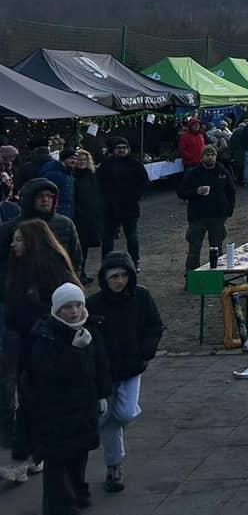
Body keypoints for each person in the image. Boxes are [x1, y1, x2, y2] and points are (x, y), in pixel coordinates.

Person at [2, 219, 80, 485]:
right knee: (28, 400)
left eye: (19, 239)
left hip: (44, 345)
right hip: (25, 343)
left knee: (34, 402)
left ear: (32, 241)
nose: (13, 244)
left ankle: (28, 458)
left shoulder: (51, 269)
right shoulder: (19, 267)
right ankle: (34, 456)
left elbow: (68, 305)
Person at [22, 282, 111, 515]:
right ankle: (61, 506)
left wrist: (102, 393)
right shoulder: (45, 336)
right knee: (58, 461)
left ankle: (78, 494)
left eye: (78, 305)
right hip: (56, 411)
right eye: (68, 307)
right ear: (57, 310)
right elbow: (50, 374)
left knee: (78, 455)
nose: (74, 312)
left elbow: (100, 364)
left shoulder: (89, 330)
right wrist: (76, 351)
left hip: (83, 407)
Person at [85, 252, 163, 493]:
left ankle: (113, 462)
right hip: (106, 372)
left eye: (123, 275)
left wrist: (145, 351)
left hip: (131, 367)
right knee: (109, 420)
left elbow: (154, 324)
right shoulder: (94, 304)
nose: (119, 281)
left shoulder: (141, 297)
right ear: (105, 278)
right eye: (113, 276)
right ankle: (114, 466)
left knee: (124, 414)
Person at [0, 178, 83, 290]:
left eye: (49, 196)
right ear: (30, 199)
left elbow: (75, 257)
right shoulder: (10, 228)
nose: (46, 200)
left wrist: (71, 282)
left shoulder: (65, 224)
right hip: (23, 288)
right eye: (40, 196)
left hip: (58, 285)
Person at [176, 146, 236, 273]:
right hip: (198, 217)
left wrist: (229, 210)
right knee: (194, 249)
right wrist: (195, 192)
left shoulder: (223, 172)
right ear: (202, 157)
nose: (210, 157)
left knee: (217, 249)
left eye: (213, 155)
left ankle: (217, 277)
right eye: (207, 155)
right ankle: (191, 278)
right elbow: (181, 192)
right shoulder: (193, 173)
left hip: (218, 216)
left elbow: (231, 191)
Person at [96, 139, 148, 269]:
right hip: (110, 207)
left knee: (132, 236)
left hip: (129, 206)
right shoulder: (106, 164)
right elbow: (98, 183)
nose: (122, 150)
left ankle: (135, 262)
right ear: (114, 149)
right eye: (119, 147)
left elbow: (144, 181)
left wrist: (136, 196)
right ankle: (106, 263)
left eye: (124, 147)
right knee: (108, 238)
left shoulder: (135, 164)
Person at [71, 150, 102, 282]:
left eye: (84, 160)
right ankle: (77, 273)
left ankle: (81, 272)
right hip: (77, 215)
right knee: (77, 246)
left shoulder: (92, 175)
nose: (82, 162)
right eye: (79, 160)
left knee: (84, 247)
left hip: (90, 215)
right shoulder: (72, 176)